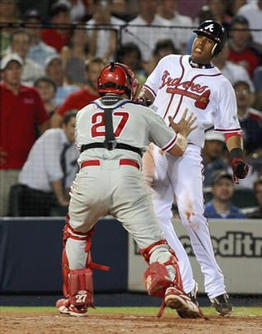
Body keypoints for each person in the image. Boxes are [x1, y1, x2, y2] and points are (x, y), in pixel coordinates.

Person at [55, 62, 202, 318]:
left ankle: (76, 299)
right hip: (127, 178)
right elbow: (175, 149)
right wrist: (182, 134)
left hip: (89, 175)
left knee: (77, 234)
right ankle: (170, 287)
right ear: (129, 86)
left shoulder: (83, 112)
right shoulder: (142, 112)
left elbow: (85, 147)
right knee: (154, 245)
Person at [139, 20, 249, 316]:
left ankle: (216, 286)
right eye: (199, 36)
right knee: (156, 217)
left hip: (187, 152)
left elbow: (230, 129)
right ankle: (185, 285)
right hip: (154, 147)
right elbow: (146, 94)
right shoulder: (169, 63)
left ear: (217, 48)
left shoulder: (220, 84)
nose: (200, 41)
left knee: (191, 217)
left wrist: (236, 157)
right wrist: (138, 105)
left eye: (208, 39)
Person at [0, 54, 49, 217]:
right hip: (3, 167)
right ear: (3, 72)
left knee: (24, 214)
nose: (14, 72)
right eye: (10, 68)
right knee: (2, 212)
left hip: (29, 167)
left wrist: (42, 153)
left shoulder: (32, 94)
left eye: (17, 68)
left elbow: (44, 123)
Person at [17, 111, 78, 216]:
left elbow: (69, 180)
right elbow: (54, 172)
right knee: (31, 229)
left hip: (50, 196)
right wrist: (61, 201)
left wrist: (67, 202)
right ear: (64, 126)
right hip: (31, 194)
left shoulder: (76, 147)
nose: (76, 131)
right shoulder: (52, 136)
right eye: (73, 126)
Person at [51, 57, 105, 128]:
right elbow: (56, 120)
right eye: (94, 72)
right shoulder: (76, 97)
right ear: (86, 75)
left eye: (101, 72)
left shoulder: (113, 97)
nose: (98, 76)